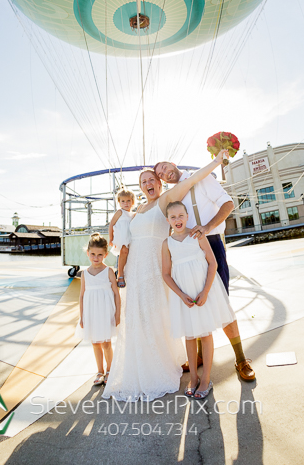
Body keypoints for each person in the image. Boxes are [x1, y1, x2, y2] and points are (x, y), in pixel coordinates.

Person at [103, 150, 228, 402]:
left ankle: (162, 367)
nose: (148, 184)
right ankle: (138, 367)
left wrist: (216, 162)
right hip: (136, 269)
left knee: (156, 315)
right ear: (140, 188)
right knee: (136, 316)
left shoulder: (165, 201)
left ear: (160, 183)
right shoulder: (138, 209)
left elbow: (193, 180)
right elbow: (122, 236)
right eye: (143, 182)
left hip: (155, 266)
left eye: (152, 179)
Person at [154, 160, 256, 381]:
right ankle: (199, 356)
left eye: (164, 167)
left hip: (208, 240)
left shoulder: (200, 178)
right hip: (183, 248)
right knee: (192, 300)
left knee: (221, 302)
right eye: (160, 173)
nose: (164, 172)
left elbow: (228, 204)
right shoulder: (173, 194)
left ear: (172, 163)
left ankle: (240, 358)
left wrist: (207, 228)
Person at [162, 201, 236, 400]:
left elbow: (212, 263)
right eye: (173, 217)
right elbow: (166, 274)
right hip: (184, 295)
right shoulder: (166, 244)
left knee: (205, 334)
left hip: (203, 291)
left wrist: (205, 291)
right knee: (189, 336)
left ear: (187, 217)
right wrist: (180, 294)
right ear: (167, 220)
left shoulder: (197, 235)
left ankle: (206, 380)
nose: (177, 220)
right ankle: (193, 378)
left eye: (181, 216)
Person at [75, 234, 120, 387]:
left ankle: (110, 370)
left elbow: (116, 293)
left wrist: (117, 313)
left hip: (106, 312)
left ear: (105, 255)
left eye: (100, 254)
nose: (96, 257)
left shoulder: (108, 271)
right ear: (87, 253)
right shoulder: (85, 274)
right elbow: (81, 296)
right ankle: (99, 371)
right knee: (95, 343)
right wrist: (82, 317)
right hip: (91, 313)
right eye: (93, 254)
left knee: (106, 343)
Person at [108, 188, 135, 288]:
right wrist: (111, 238)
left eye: (128, 201)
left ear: (132, 202)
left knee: (129, 255)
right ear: (119, 202)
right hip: (122, 237)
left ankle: (128, 272)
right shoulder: (119, 212)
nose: (126, 203)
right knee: (123, 252)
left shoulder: (133, 214)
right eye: (123, 201)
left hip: (131, 238)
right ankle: (120, 274)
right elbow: (111, 224)